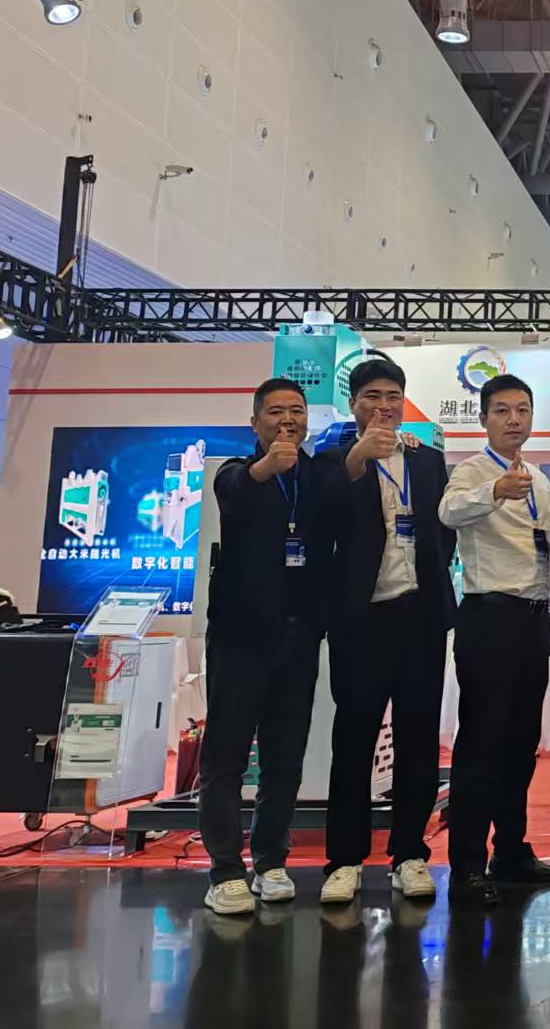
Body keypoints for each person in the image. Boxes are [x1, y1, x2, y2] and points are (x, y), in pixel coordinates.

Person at [195, 378, 342, 914]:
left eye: (296, 411)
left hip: (298, 635)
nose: (288, 420)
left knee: (285, 756)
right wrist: (266, 468)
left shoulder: (316, 476)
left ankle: (270, 861)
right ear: (255, 422)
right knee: (226, 756)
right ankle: (224, 870)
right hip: (240, 637)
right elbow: (238, 489)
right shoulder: (236, 473)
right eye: (276, 411)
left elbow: (350, 473)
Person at [318, 358, 458, 907]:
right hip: (362, 620)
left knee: (419, 740)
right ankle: (344, 860)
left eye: (393, 396)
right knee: (353, 740)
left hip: (420, 618)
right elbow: (325, 521)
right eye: (372, 396)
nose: (383, 405)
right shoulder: (334, 460)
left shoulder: (427, 460)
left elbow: (443, 533)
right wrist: (358, 458)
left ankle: (409, 855)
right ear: (354, 403)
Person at [439, 373, 550, 901]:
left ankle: (511, 851)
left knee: (521, 743)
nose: (514, 420)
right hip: (488, 616)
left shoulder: (538, 479)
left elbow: (546, 551)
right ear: (483, 419)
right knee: (481, 743)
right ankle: (468, 865)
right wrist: (494, 491)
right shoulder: (471, 472)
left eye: (522, 410)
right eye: (502, 411)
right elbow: (448, 513)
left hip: (532, 619)